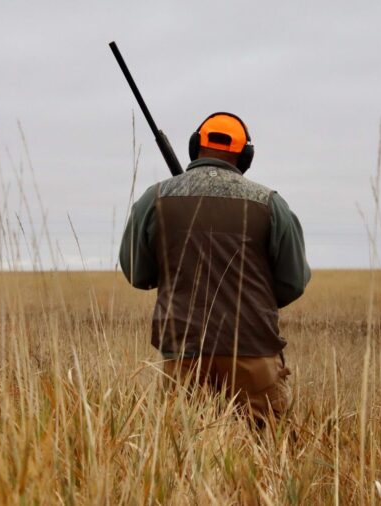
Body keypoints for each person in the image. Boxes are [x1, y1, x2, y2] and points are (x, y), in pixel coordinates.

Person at [119, 112, 310, 423]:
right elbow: (293, 281)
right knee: (267, 452)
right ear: (245, 156)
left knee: (184, 455)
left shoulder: (155, 198)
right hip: (253, 349)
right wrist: (253, 299)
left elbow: (137, 273)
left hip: (182, 350)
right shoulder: (269, 202)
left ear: (196, 147)